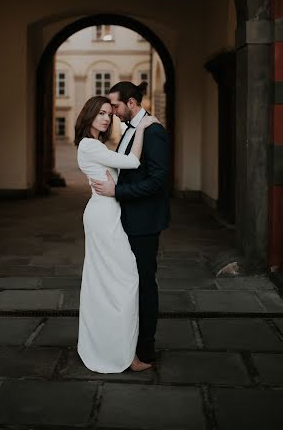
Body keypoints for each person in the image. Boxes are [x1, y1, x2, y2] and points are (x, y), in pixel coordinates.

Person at [75, 95, 160, 373]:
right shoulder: (89, 145)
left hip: (108, 214)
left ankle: (116, 347)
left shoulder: (95, 145)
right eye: (100, 113)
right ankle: (118, 353)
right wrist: (142, 128)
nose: (106, 118)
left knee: (112, 282)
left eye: (109, 114)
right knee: (123, 280)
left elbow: (119, 169)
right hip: (102, 216)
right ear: (89, 115)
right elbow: (133, 162)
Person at [90, 82, 170, 364]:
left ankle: (145, 352)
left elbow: (158, 182)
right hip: (128, 219)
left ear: (132, 103)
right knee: (129, 284)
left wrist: (118, 191)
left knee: (145, 284)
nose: (112, 111)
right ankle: (128, 342)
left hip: (145, 222)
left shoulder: (154, 131)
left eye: (115, 105)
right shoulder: (131, 130)